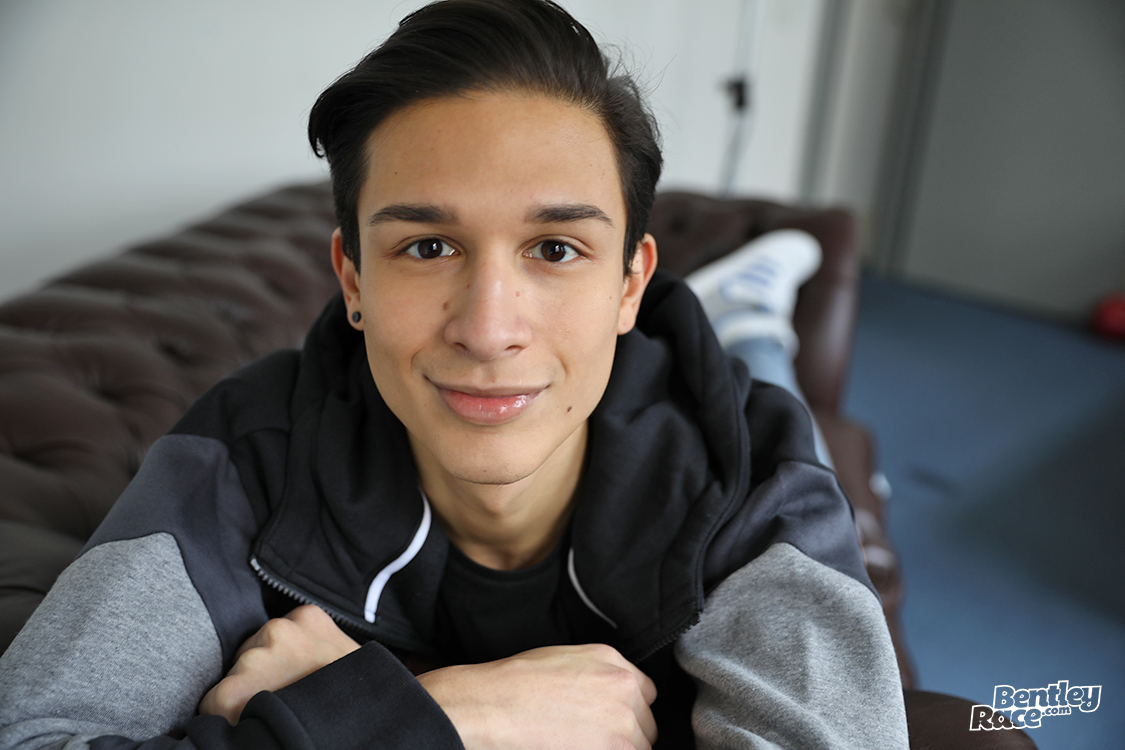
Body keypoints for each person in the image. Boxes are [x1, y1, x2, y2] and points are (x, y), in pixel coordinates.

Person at [0, 1, 909, 748]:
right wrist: (437, 718)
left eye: (555, 249)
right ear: (354, 280)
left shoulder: (754, 471)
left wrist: (326, 708)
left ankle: (748, 319)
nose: (487, 328)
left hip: (691, 384)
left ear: (631, 284)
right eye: (428, 247)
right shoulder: (241, 459)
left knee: (772, 378)